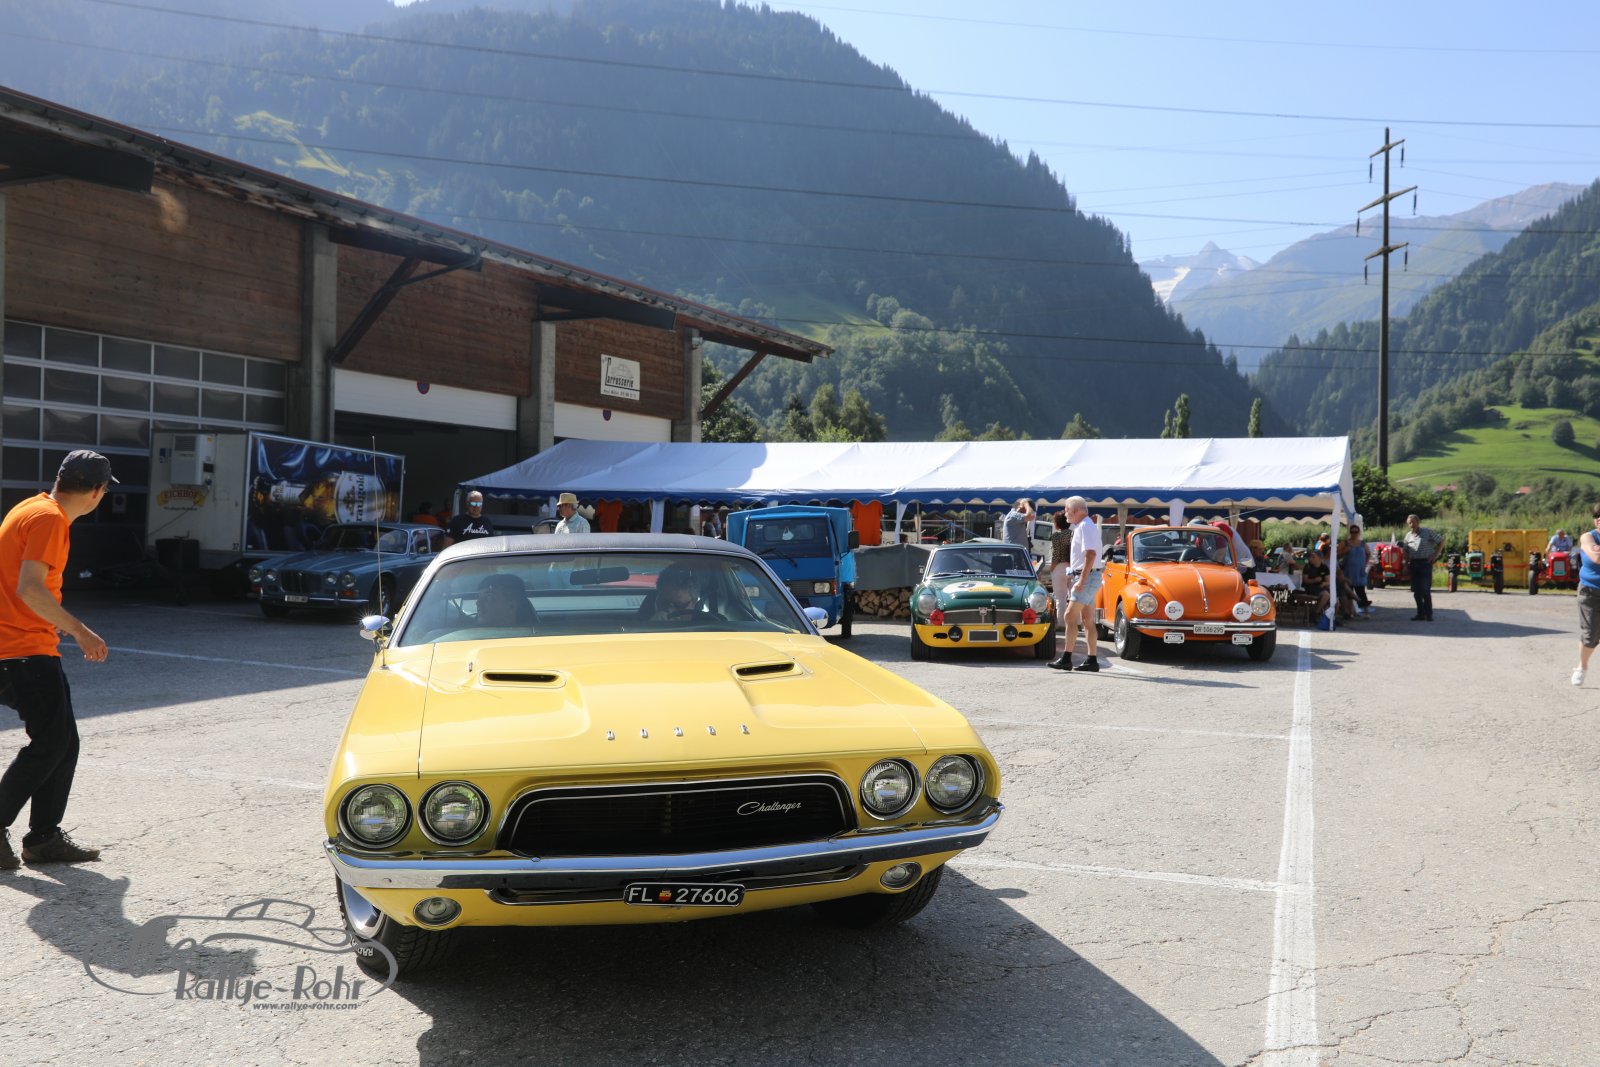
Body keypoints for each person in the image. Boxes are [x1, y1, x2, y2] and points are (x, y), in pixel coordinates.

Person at [0, 450, 116, 870]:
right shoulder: (49, 520)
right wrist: (80, 631)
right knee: (51, 742)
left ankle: (44, 838)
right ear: (97, 491)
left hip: (23, 647)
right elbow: (30, 588)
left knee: (63, 741)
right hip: (21, 650)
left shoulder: (32, 508)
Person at [1049, 496, 1102, 673]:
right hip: (1089, 576)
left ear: (1077, 510)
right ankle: (1092, 660)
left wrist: (1082, 580)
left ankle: (1066, 659)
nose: (1065, 514)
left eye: (1067, 510)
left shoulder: (1085, 526)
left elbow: (1091, 554)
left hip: (1087, 577)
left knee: (1069, 617)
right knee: (1087, 620)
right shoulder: (1084, 525)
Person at [1572, 505, 1600, 685]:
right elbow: (1596, 557)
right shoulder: (1588, 537)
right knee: (1590, 635)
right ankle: (1582, 667)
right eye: (1597, 517)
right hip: (1590, 592)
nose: (1599, 520)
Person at [1401, 513, 1443, 622]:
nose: (1412, 524)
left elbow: (1441, 541)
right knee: (1416, 592)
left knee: (1425, 590)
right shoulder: (1408, 536)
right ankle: (1420, 614)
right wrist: (1405, 565)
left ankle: (1428, 614)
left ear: (1418, 522)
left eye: (1413, 522)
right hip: (1413, 564)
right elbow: (1405, 552)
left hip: (1425, 563)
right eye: (1409, 523)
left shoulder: (1427, 532)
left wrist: (1435, 556)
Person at [1045, 512, 1073, 627]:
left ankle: (1061, 623)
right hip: (1072, 566)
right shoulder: (1072, 533)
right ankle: (1077, 622)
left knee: (1060, 598)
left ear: (1057, 523)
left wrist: (1052, 568)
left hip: (1059, 567)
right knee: (1074, 597)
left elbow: (1056, 554)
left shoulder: (1056, 535)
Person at [1342, 526, 1371, 618]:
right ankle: (1350, 612)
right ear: (1350, 532)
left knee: (1361, 591)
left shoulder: (1362, 543)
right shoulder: (1345, 543)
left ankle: (1366, 612)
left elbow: (1368, 554)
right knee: (1349, 592)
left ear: (1359, 532)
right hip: (1348, 571)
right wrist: (1344, 551)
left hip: (1359, 572)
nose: (1354, 534)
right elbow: (1336, 555)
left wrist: (1365, 564)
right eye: (1352, 532)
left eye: (1356, 532)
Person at [1300, 547, 1332, 621]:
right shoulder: (1308, 567)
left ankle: (1330, 619)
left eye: (1313, 557)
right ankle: (1315, 614)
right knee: (1326, 595)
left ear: (1320, 558)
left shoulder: (1324, 568)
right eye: (1310, 557)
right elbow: (1305, 580)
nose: (1310, 558)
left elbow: (1328, 581)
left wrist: (1324, 583)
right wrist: (1314, 580)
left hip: (1321, 587)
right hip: (1309, 587)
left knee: (1335, 600)